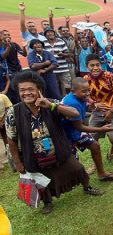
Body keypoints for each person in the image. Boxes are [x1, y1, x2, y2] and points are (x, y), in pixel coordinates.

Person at [6, 71, 103, 214]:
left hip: (59, 151)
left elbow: (75, 114)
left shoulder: (51, 103)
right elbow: (11, 140)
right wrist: (18, 162)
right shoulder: (13, 112)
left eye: (31, 89)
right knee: (42, 180)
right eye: (22, 90)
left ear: (39, 90)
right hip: (33, 156)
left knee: (77, 168)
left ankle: (87, 187)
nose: (27, 93)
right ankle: (47, 202)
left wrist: (51, 105)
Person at [61, 77, 113, 181]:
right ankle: (81, 181)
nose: (87, 93)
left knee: (94, 146)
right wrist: (101, 129)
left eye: (88, 90)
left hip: (74, 131)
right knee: (74, 161)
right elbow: (79, 127)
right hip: (65, 135)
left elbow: (83, 113)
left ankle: (101, 174)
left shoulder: (79, 98)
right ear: (73, 91)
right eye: (84, 91)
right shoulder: (72, 103)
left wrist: (93, 106)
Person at [83, 54, 113, 163]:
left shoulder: (108, 76)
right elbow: (84, 96)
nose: (95, 68)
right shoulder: (85, 80)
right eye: (92, 65)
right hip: (97, 112)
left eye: (97, 65)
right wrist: (93, 104)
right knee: (91, 140)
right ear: (87, 67)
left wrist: (112, 110)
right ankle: (95, 164)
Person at [0, 94, 12, 170]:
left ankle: (11, 155)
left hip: (4, 120)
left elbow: (9, 108)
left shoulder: (2, 96)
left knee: (7, 137)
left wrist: (3, 121)